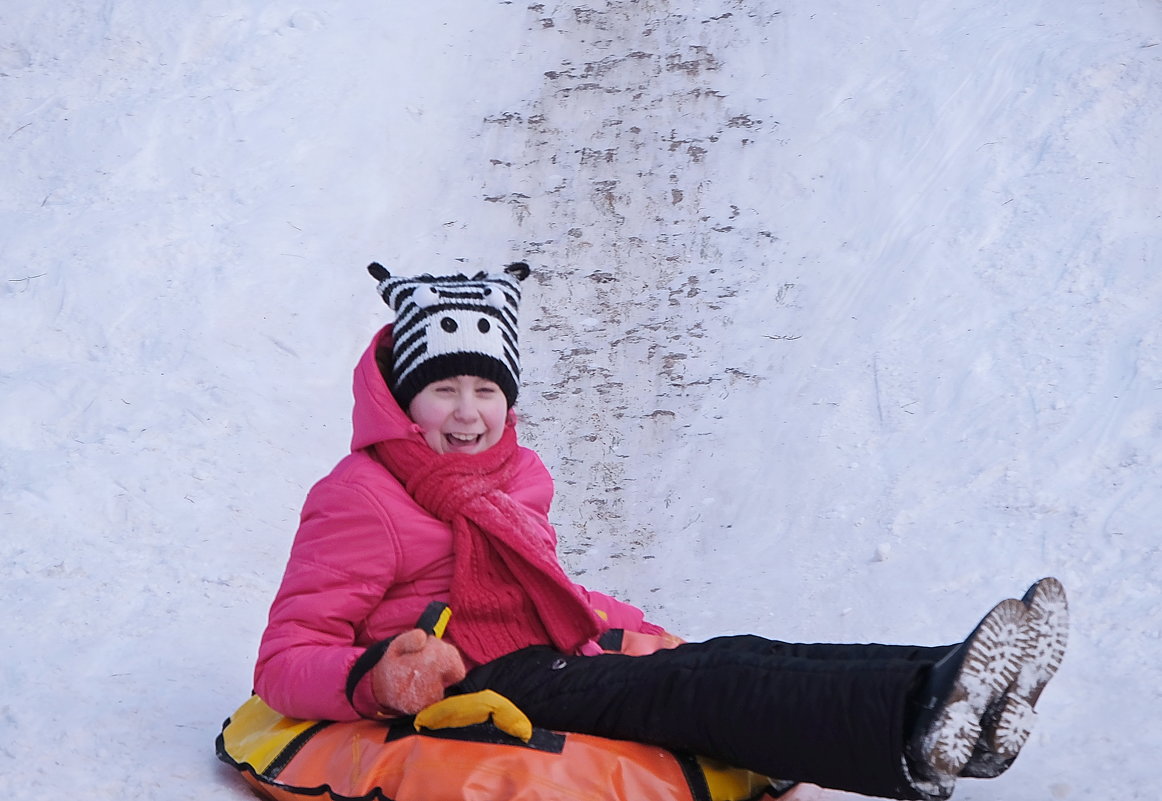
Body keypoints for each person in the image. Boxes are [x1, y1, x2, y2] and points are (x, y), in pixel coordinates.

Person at [253, 262, 1069, 801]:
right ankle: (916, 726)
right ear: (402, 400)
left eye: (484, 389)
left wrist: (622, 620)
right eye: (442, 391)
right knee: (699, 689)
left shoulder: (511, 476)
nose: (468, 412)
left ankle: (958, 683)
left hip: (541, 652)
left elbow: (536, 584)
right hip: (477, 680)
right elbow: (285, 657)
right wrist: (380, 676)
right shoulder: (361, 494)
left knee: (735, 654)